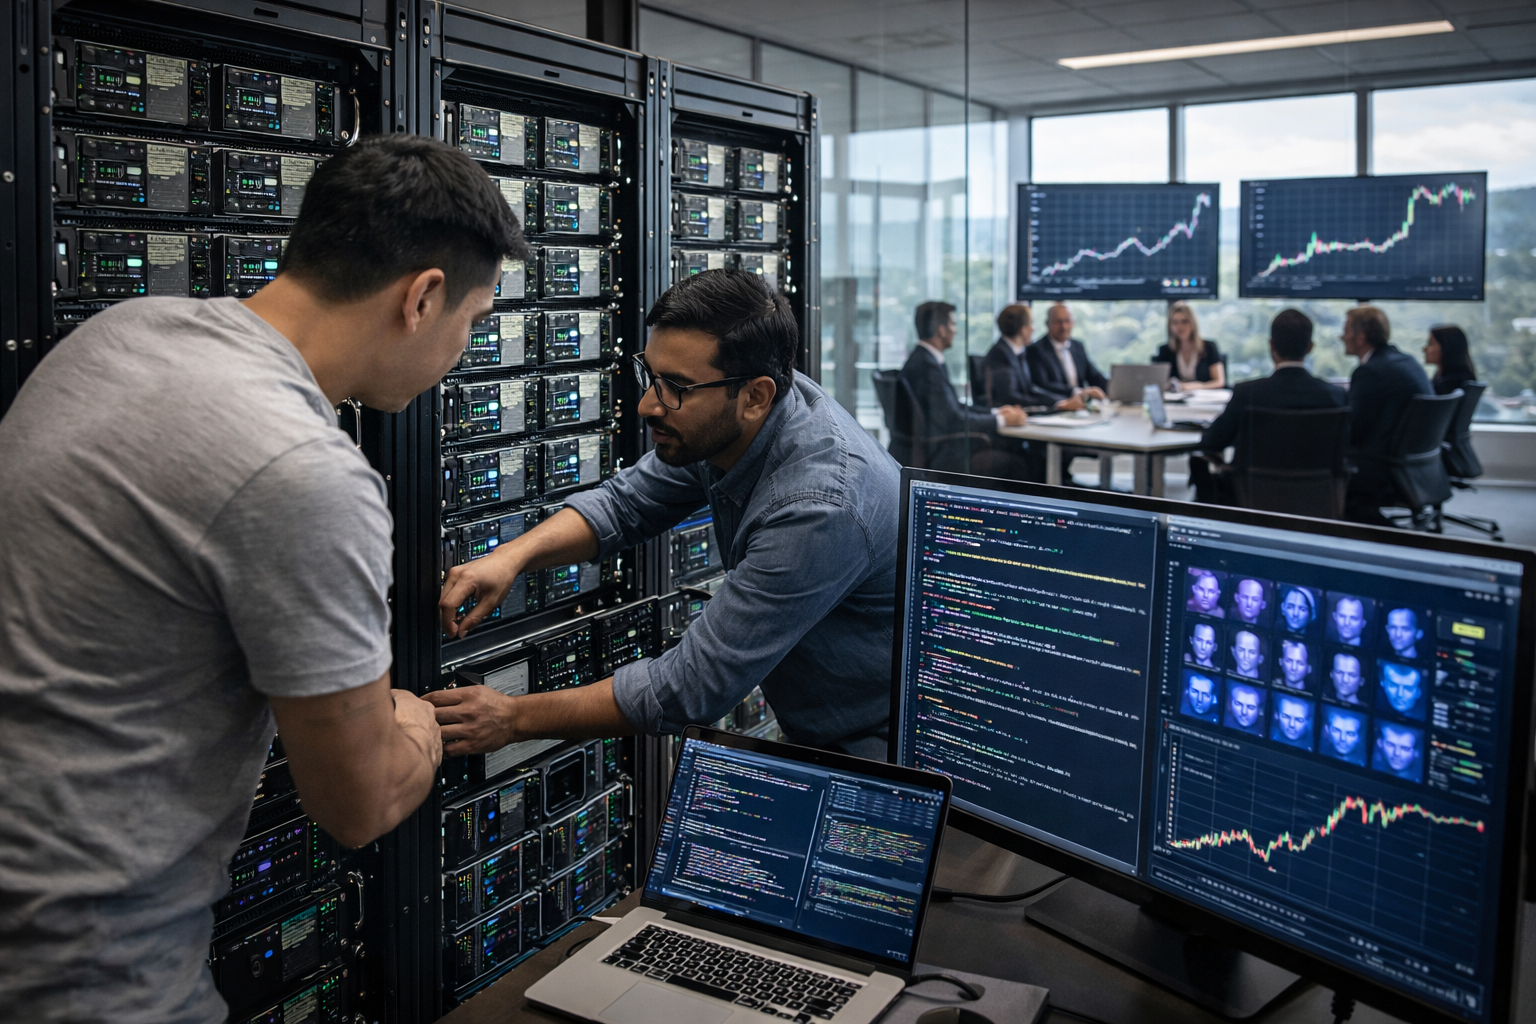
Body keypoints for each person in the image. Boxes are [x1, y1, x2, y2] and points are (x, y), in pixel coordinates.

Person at [0, 135, 507, 1022]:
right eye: (473, 321)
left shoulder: (125, 332)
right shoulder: (301, 468)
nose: (461, 350)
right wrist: (418, 726)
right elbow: (358, 801)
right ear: (423, 298)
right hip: (86, 966)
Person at [433, 269, 900, 761]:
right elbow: (626, 503)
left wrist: (512, 718)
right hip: (823, 723)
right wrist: (512, 556)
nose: (646, 405)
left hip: (879, 745)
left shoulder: (818, 508)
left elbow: (689, 688)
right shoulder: (737, 413)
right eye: (651, 376)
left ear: (755, 396)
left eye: (675, 386)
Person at [1194, 309, 1346, 504]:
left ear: (1271, 345)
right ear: (1310, 347)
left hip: (1251, 500)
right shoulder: (1336, 396)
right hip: (1318, 503)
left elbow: (1211, 442)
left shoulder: (1247, 393)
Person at [897, 300, 1035, 478]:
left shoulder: (924, 360)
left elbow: (952, 408)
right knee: (1020, 462)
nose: (955, 330)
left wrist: (996, 413)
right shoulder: (927, 367)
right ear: (941, 329)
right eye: (953, 324)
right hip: (943, 454)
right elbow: (952, 420)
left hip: (937, 449)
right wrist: (1000, 421)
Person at [1341, 305, 1433, 525]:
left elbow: (1352, 430)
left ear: (1360, 337)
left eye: (1345, 331)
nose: (1342, 338)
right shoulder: (1406, 361)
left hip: (1383, 469)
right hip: (1417, 465)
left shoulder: (1370, 372)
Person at [981, 303, 1090, 412]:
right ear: (1023, 329)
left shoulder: (1017, 352)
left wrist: (1060, 401)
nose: (1034, 329)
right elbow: (1009, 396)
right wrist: (1055, 405)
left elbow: (1030, 389)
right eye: (1031, 324)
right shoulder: (1001, 353)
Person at [1025, 302, 1108, 403]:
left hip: (1081, 408)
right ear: (1047, 323)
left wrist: (1115, 388)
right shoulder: (1035, 350)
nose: (1064, 327)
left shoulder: (1077, 346)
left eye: (1067, 321)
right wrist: (1080, 392)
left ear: (1073, 323)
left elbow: (1094, 376)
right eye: (1058, 322)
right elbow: (1043, 385)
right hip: (1056, 406)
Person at [1153, 300, 1225, 390]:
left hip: (1205, 399)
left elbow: (1219, 381)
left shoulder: (1209, 347)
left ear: (1193, 323)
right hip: (1176, 400)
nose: (1179, 327)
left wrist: (1194, 386)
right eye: (1175, 322)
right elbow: (1158, 381)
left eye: (1184, 321)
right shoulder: (1165, 350)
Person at [1424, 325, 1478, 396]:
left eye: (1431, 344)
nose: (1425, 349)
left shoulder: (1448, 385)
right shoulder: (1463, 378)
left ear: (1446, 348)